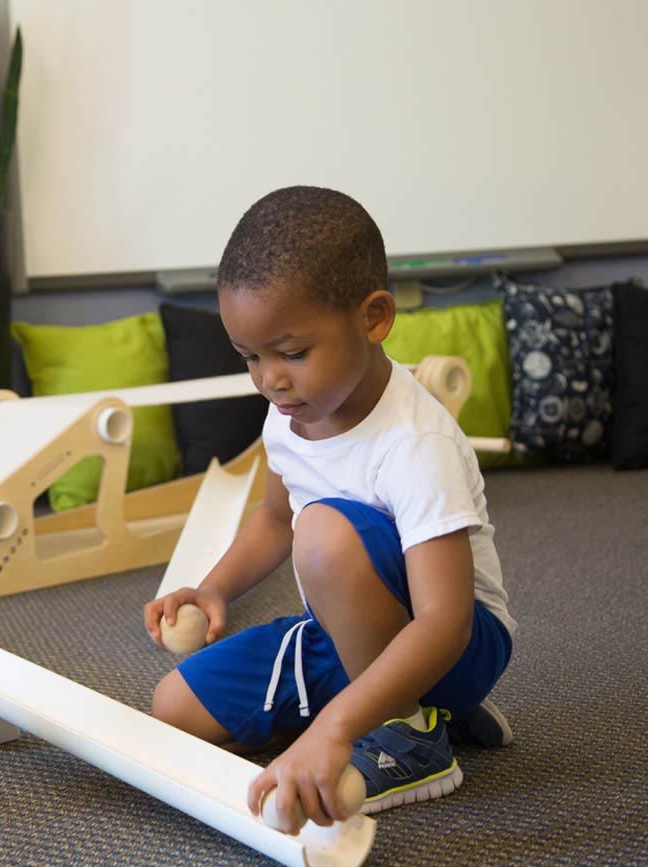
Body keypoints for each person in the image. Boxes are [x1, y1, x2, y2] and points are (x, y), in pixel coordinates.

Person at [143, 186, 515, 833]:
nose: (269, 379)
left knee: (321, 531)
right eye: (250, 356)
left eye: (291, 352)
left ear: (373, 318)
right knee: (172, 708)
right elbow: (272, 519)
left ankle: (411, 734)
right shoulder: (287, 413)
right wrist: (213, 588)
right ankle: (414, 710)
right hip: (341, 633)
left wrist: (333, 731)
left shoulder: (415, 444)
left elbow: (445, 620)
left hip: (456, 643)